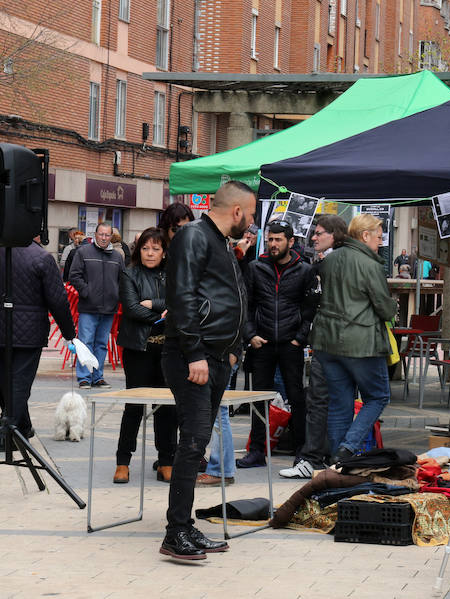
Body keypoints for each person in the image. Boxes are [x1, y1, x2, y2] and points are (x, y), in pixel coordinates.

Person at [159, 181, 255, 560]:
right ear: (236, 211)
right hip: (192, 357)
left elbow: (227, 298)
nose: (249, 225)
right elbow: (181, 297)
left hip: (216, 356)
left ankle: (184, 526)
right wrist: (195, 353)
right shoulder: (193, 237)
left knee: (197, 440)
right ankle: (175, 531)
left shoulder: (219, 242)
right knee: (194, 442)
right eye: (248, 216)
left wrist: (233, 351)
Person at [308, 213, 396, 464]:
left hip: (327, 342)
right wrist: (393, 306)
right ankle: (347, 449)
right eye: (379, 237)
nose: (381, 243)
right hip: (361, 342)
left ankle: (338, 464)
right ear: (365, 236)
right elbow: (384, 308)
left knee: (340, 403)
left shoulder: (329, 262)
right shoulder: (370, 265)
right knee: (378, 397)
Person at [236, 221, 317, 468]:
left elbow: (310, 308)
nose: (273, 244)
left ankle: (302, 451)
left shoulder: (304, 270)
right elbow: (246, 303)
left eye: (279, 239)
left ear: (290, 242)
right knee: (258, 397)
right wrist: (250, 335)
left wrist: (299, 338)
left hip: (290, 344)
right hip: (262, 343)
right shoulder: (256, 267)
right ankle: (257, 450)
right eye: (271, 239)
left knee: (296, 396)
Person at [280, 215, 348, 479]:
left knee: (329, 399)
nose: (314, 238)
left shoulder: (337, 261)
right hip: (324, 339)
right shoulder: (320, 262)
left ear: (334, 234)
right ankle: (318, 458)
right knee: (321, 399)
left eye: (319, 233)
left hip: (336, 341)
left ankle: (328, 458)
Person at [113, 227, 176, 484]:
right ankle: (122, 462)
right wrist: (164, 315)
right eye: (146, 248)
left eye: (156, 248)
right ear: (139, 250)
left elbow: (180, 302)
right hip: (138, 349)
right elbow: (130, 308)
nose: (150, 253)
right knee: (134, 406)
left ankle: (166, 461)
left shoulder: (173, 274)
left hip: (168, 351)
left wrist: (154, 304)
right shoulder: (130, 273)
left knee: (166, 409)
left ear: (164, 252)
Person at [0, 236, 76, 449]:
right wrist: (69, 332)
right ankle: (10, 431)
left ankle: (22, 428)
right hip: (29, 333)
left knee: (5, 381)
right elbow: (57, 299)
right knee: (19, 383)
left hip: (6, 329)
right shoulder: (41, 256)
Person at [68, 222, 125, 389]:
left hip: (109, 307)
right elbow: (74, 275)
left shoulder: (117, 257)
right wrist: (87, 292)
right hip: (88, 307)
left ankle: (97, 376)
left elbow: (123, 280)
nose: (104, 238)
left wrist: (117, 296)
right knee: (85, 342)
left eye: (107, 235)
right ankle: (84, 377)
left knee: (101, 343)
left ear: (111, 237)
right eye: (101, 234)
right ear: (95, 234)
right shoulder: (83, 252)